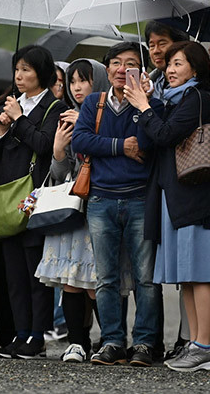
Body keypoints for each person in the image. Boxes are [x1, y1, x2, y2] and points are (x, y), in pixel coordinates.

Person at [123, 40, 210, 372]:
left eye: (178, 63)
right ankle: (195, 343)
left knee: (199, 272)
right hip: (175, 194)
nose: (170, 69)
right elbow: (155, 135)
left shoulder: (200, 97)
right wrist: (150, 101)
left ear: (195, 68)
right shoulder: (174, 99)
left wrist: (144, 106)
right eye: (168, 64)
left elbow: (166, 134)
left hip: (194, 196)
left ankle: (205, 345)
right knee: (186, 275)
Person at [72, 42, 163, 367]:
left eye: (131, 63)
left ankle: (145, 343)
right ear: (107, 68)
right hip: (101, 198)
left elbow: (151, 144)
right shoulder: (94, 102)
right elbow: (80, 139)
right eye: (116, 63)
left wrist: (144, 104)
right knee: (106, 278)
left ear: (142, 70)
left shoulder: (151, 104)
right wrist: (120, 146)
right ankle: (112, 341)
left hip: (140, 197)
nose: (122, 69)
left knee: (146, 279)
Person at [0, 45, 67, 360]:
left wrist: (19, 120)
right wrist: (1, 130)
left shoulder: (54, 107)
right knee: (14, 276)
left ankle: (37, 336)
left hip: (35, 197)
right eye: (17, 69)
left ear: (41, 73)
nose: (19, 76)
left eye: (26, 70)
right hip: (8, 196)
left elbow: (45, 145)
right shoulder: (10, 104)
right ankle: (19, 335)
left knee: (35, 274)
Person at [35, 58, 111, 363]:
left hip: (100, 202)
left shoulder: (108, 116)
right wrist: (58, 148)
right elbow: (59, 172)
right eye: (72, 81)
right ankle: (77, 343)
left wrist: (85, 126)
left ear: (99, 82)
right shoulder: (66, 117)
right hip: (70, 207)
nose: (77, 87)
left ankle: (110, 340)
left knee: (96, 281)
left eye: (84, 80)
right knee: (70, 278)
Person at [145, 21, 189, 101]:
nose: (156, 51)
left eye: (162, 44)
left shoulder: (196, 88)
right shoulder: (151, 83)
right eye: (152, 45)